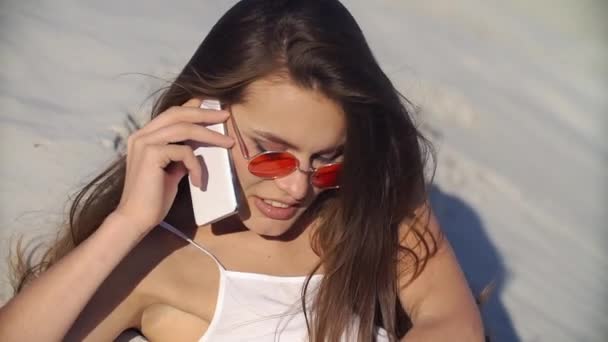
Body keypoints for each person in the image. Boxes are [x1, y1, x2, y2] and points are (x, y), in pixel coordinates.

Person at [0, 0, 484, 341]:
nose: (297, 187)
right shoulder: (156, 261)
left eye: (326, 159)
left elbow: (453, 322)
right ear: (204, 113)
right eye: (270, 153)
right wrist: (127, 222)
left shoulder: (367, 199)